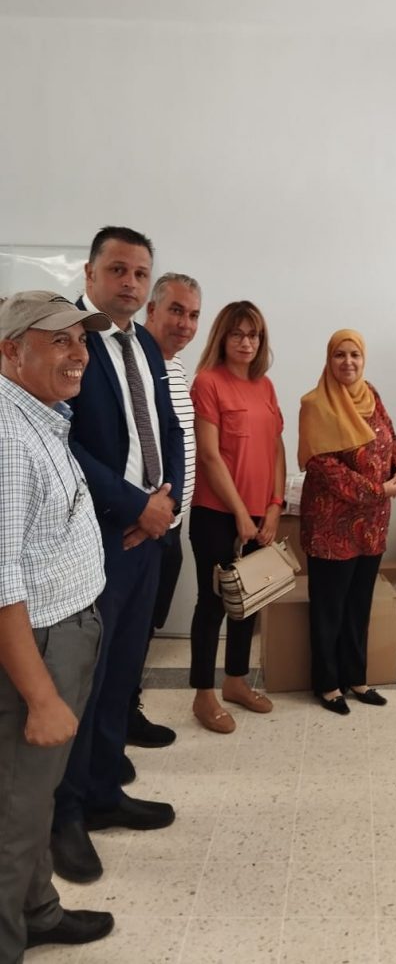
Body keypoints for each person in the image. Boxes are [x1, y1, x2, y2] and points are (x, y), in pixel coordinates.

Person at [51, 227, 184, 886]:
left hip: (147, 537)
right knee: (85, 678)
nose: (130, 282)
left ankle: (104, 790)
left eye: (140, 272)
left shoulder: (146, 344)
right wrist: (134, 506)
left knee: (123, 672)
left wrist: (167, 503)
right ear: (90, 273)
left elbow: (171, 429)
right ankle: (64, 813)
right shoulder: (68, 340)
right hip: (98, 535)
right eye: (118, 269)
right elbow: (64, 439)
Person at [0, 291, 115, 959]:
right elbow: (1, 582)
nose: (79, 354)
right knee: (14, 817)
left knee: (34, 795)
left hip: (67, 630)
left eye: (83, 340)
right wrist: (41, 696)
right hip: (38, 647)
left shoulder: (40, 415)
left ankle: (38, 911)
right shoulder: (8, 438)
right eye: (60, 340)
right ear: (11, 350)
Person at [298, 329, 396, 714]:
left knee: (358, 606)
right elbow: (324, 466)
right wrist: (379, 490)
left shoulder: (371, 395)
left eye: (354, 355)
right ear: (329, 360)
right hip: (331, 527)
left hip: (372, 526)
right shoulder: (315, 404)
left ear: (363, 359)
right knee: (329, 609)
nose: (348, 362)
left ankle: (356, 678)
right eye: (339, 355)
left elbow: (392, 441)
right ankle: (328, 684)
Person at [189, 301, 285, 733]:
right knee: (212, 605)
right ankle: (203, 695)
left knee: (249, 602)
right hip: (216, 514)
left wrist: (274, 505)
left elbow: (277, 448)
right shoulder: (207, 382)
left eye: (254, 335)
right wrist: (240, 515)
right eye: (238, 334)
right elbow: (209, 455)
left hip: (260, 515)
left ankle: (235, 681)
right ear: (222, 337)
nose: (247, 342)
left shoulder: (265, 386)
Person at [123, 273, 202, 768]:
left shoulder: (174, 367)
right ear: (151, 310)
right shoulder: (133, 363)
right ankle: (117, 718)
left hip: (172, 524)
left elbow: (175, 440)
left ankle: (125, 710)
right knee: (125, 631)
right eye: (175, 310)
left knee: (146, 626)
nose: (185, 324)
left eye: (193, 315)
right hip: (142, 523)